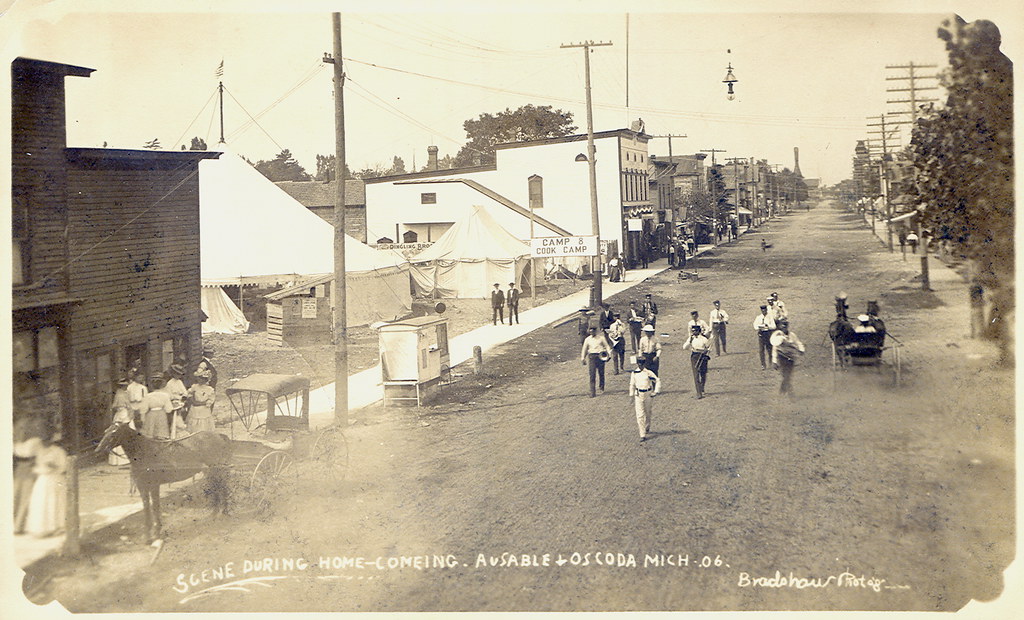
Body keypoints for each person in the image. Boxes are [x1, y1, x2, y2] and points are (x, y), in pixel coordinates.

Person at [25, 431, 68, 538]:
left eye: (47, 440)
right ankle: (42, 528)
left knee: (54, 502)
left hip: (55, 479)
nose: (44, 442)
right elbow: (35, 466)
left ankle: (57, 526)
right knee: (41, 502)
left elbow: (63, 467)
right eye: (43, 440)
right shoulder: (39, 451)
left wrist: (53, 466)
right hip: (43, 479)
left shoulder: (58, 451)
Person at [13, 417, 45, 535]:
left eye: (24, 428)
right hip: (22, 469)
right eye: (20, 428)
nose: (22, 431)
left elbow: (40, 456)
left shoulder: (33, 442)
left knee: (23, 497)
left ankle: (18, 526)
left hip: (27, 469)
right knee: (18, 496)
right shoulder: (18, 442)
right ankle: (15, 525)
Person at [629, 357, 661, 443]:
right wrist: (631, 395)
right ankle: (642, 434)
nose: (640, 366)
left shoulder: (648, 373)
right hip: (638, 395)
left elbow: (657, 380)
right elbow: (632, 384)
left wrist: (656, 391)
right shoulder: (634, 373)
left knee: (648, 412)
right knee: (640, 415)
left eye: (642, 364)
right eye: (639, 364)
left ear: (644, 364)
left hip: (647, 394)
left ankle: (647, 427)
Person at [772, 320, 805, 396]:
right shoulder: (777, 337)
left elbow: (798, 343)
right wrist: (774, 361)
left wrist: (801, 349)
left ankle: (783, 388)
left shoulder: (792, 335)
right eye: (782, 327)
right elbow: (775, 349)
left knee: (788, 375)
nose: (784, 328)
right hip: (782, 357)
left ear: (787, 327)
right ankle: (790, 392)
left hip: (791, 358)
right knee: (785, 374)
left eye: (785, 326)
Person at [682, 323, 714, 399]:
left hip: (703, 357)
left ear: (699, 331)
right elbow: (684, 347)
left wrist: (706, 351)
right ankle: (699, 393)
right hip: (694, 356)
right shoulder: (691, 338)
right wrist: (689, 342)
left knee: (703, 373)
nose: (693, 332)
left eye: (695, 331)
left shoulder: (703, 339)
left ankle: (702, 388)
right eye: (692, 331)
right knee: (696, 375)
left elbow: (709, 348)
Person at [140, 375, 175, 440]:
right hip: (161, 415)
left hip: (151, 414)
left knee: (150, 432)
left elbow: (143, 409)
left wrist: (143, 418)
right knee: (160, 432)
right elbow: (169, 409)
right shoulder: (165, 395)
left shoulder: (148, 396)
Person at [580, 326, 611, 397]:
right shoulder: (587, 339)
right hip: (592, 357)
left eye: (593, 331)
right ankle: (592, 392)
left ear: (596, 331)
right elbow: (584, 349)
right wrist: (583, 358)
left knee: (601, 373)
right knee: (592, 374)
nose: (592, 333)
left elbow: (607, 346)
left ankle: (601, 387)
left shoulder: (601, 338)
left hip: (600, 356)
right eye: (590, 331)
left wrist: (609, 354)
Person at [108, 378, 133, 466]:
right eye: (125, 386)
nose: (126, 387)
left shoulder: (118, 394)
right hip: (124, 413)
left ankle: (116, 460)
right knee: (125, 433)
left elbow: (114, 406)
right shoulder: (123, 395)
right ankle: (124, 459)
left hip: (119, 414)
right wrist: (129, 413)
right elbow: (128, 406)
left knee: (118, 433)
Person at [165, 363, 189, 440]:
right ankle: (173, 434)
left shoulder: (179, 382)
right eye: (177, 374)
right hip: (173, 403)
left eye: (179, 374)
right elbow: (169, 395)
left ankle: (181, 433)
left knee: (181, 416)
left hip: (181, 402)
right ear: (173, 374)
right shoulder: (169, 383)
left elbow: (185, 392)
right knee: (174, 418)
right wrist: (177, 396)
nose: (178, 376)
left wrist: (182, 398)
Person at [753, 304, 777, 370]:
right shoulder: (758, 317)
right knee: (761, 350)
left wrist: (768, 326)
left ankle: (770, 364)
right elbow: (755, 325)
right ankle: (763, 365)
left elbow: (774, 326)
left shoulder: (770, 317)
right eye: (762, 311)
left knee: (769, 349)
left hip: (768, 334)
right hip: (761, 334)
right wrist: (759, 327)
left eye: (765, 310)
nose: (764, 312)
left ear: (766, 310)